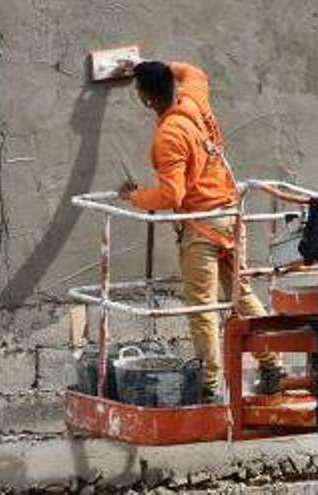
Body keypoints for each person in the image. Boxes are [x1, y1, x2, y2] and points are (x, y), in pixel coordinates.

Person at [116, 59, 284, 402]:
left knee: (202, 309)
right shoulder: (193, 101)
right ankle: (273, 365)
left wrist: (133, 196)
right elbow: (195, 72)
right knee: (242, 294)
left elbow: (171, 195)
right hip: (231, 216)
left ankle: (209, 387)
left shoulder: (169, 136)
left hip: (202, 227)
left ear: (146, 99)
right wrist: (154, 64)